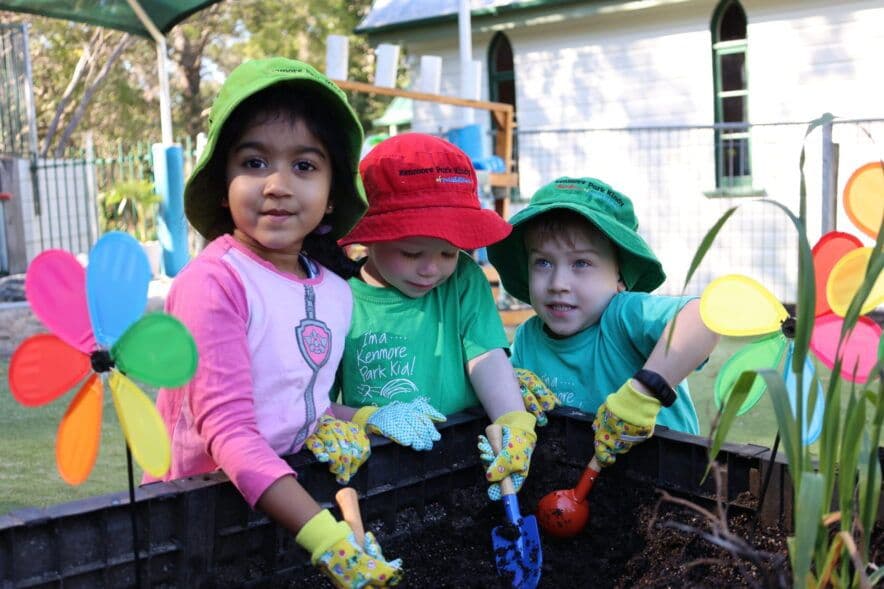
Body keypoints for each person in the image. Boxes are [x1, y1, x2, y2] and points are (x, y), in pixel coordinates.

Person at [145, 57, 402, 587]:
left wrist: (367, 417)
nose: (278, 185)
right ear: (223, 183)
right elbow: (230, 431)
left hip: (279, 508)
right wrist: (327, 538)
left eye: (304, 166)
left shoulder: (334, 292)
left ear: (331, 193)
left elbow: (292, 398)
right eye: (255, 162)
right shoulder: (214, 283)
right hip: (195, 521)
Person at [335, 133, 558, 500]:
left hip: (467, 458)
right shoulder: (337, 298)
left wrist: (514, 421)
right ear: (369, 236)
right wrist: (366, 419)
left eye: (449, 253)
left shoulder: (464, 279)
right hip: (382, 474)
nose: (431, 269)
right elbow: (311, 408)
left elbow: (487, 358)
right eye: (411, 253)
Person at [487, 177, 719, 467]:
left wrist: (644, 393)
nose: (558, 283)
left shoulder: (625, 316)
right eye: (543, 262)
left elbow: (705, 317)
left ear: (620, 276)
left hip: (669, 474)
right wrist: (512, 385)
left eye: (581, 263)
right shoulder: (527, 339)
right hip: (577, 477)